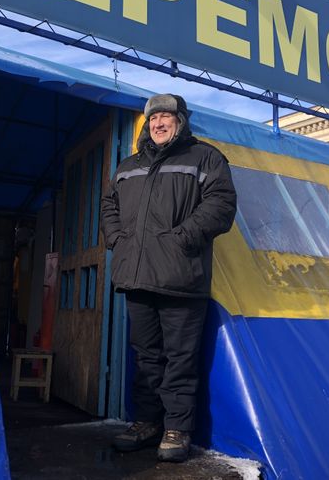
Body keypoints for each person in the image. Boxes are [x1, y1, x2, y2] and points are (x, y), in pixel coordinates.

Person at [100, 94, 237, 463]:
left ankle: (177, 428)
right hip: (136, 276)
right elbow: (109, 205)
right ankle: (147, 422)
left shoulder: (205, 157)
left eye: (166, 117)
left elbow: (221, 205)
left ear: (181, 121)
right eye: (154, 118)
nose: (159, 123)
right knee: (145, 356)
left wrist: (183, 239)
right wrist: (117, 239)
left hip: (181, 277)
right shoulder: (128, 165)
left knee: (179, 358)